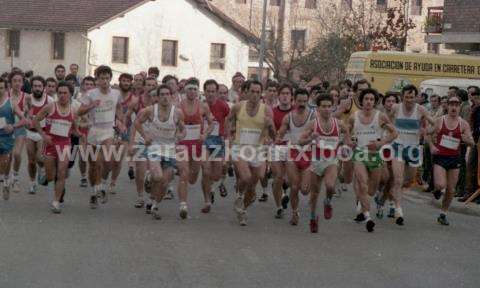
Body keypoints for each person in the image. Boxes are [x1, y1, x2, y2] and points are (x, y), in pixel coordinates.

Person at [345, 88, 397, 232]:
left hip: (375, 155)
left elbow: (394, 133)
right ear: (361, 101)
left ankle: (364, 205)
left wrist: (381, 143)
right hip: (360, 154)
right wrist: (349, 140)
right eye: (366, 99)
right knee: (362, 184)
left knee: (371, 191)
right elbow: (346, 133)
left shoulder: (381, 117)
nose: (368, 102)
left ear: (375, 102)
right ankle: (368, 217)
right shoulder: (353, 117)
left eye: (371, 99)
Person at [227, 80, 276, 226]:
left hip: (257, 150)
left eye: (258, 92)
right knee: (246, 177)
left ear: (261, 93)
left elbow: (273, 135)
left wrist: (270, 127)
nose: (255, 95)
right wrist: (228, 137)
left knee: (256, 182)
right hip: (240, 148)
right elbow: (228, 120)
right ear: (246, 92)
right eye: (252, 91)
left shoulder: (266, 110)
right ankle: (239, 195)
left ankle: (242, 210)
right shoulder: (237, 107)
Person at [77, 65, 126, 209]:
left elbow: (119, 107)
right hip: (93, 130)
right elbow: (79, 111)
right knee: (94, 166)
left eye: (107, 78)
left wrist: (121, 121)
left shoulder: (116, 93)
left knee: (109, 160)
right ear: (97, 80)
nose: (104, 81)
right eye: (101, 78)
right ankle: (94, 192)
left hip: (108, 130)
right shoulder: (91, 94)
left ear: (110, 78)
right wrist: (91, 105)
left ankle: (103, 184)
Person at [134, 85, 186, 220]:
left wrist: (181, 136)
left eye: (167, 94)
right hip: (154, 147)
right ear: (157, 97)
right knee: (157, 176)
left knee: (164, 182)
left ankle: (155, 205)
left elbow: (183, 129)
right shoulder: (150, 110)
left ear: (171, 96)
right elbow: (137, 123)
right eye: (162, 94)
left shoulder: (178, 113)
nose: (165, 97)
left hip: (169, 149)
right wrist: (145, 136)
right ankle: (149, 177)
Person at [389, 85, 434, 225]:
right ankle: (397, 209)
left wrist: (425, 132)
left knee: (407, 181)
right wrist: (388, 135)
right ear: (402, 96)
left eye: (412, 97)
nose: (409, 100)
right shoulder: (396, 108)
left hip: (413, 149)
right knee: (398, 179)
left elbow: (435, 125)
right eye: (407, 97)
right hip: (398, 147)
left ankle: (391, 195)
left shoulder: (421, 109)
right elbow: (388, 123)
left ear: (416, 97)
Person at [427, 95, 474, 225]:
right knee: (441, 185)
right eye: (451, 104)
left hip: (454, 158)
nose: (454, 107)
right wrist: (431, 146)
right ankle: (437, 189)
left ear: (459, 107)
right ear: (447, 106)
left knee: (451, 189)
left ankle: (443, 214)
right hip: (440, 156)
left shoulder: (463, 124)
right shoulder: (439, 121)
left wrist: (466, 139)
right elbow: (427, 133)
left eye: (456, 105)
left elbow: (472, 143)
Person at [34, 81, 78, 213]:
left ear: (70, 94)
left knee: (62, 173)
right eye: (60, 93)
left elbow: (75, 129)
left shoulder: (73, 110)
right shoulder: (50, 107)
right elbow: (36, 120)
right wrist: (43, 135)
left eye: (65, 93)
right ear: (57, 94)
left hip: (64, 145)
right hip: (50, 144)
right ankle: (44, 174)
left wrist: (81, 133)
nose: (62, 95)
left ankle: (56, 202)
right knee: (50, 175)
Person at [277, 88, 315, 225]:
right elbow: (280, 132)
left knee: (304, 190)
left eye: (305, 101)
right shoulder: (288, 117)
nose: (302, 103)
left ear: (308, 100)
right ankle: (295, 212)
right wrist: (277, 137)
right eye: (299, 101)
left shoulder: (313, 116)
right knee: (294, 187)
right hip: (292, 153)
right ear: (294, 100)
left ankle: (296, 191)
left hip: (308, 154)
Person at [176, 78, 213, 218]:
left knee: (193, 177)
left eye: (194, 89)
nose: (192, 92)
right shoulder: (178, 106)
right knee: (184, 173)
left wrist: (205, 134)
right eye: (189, 89)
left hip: (197, 144)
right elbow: (173, 125)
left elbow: (211, 124)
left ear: (198, 91)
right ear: (185, 90)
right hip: (182, 145)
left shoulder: (203, 106)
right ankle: (183, 205)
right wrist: (177, 135)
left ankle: (191, 195)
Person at [203, 79, 230, 209]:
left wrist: (227, 136)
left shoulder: (223, 106)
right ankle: (207, 201)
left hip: (218, 139)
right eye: (208, 91)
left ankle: (213, 187)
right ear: (204, 92)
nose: (211, 94)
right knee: (206, 170)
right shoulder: (200, 105)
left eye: (213, 91)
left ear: (217, 92)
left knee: (216, 174)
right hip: (203, 140)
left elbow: (229, 121)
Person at [25, 76, 54, 194]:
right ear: (32, 87)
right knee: (31, 161)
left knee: (39, 158)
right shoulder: (28, 99)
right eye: (35, 86)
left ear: (44, 87)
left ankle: (42, 168)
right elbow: (23, 115)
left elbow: (53, 117)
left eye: (40, 86)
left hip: (43, 133)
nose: (37, 88)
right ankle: (32, 183)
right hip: (30, 132)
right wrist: (27, 114)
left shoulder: (50, 100)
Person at [107, 73, 134, 194]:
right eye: (124, 80)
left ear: (131, 83)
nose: (126, 83)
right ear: (119, 81)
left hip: (125, 131)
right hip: (110, 129)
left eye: (128, 81)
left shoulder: (134, 99)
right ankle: (103, 178)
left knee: (118, 159)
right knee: (109, 158)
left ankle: (112, 182)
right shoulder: (112, 94)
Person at [0, 78, 27, 200]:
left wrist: (13, 126)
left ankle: (6, 181)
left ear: (5, 89)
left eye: (1, 88)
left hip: (6, 138)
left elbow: (23, 119)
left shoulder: (10, 102)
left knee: (5, 162)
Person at [270, 84, 293, 218]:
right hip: (276, 147)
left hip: (293, 148)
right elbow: (268, 129)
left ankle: (285, 187)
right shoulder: (273, 111)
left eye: (287, 93)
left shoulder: (296, 111)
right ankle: (279, 207)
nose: (285, 96)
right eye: (283, 93)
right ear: (278, 96)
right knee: (278, 176)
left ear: (291, 96)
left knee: (290, 179)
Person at [7, 70, 29, 193]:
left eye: (19, 81)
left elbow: (25, 119)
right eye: (14, 81)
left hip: (19, 128)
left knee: (17, 154)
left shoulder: (27, 97)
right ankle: (6, 178)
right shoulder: (5, 95)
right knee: (7, 157)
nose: (17, 83)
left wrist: (14, 125)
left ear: (23, 82)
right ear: (10, 82)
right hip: (6, 130)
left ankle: (15, 177)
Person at [75, 76, 96, 187]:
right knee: (83, 155)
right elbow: (76, 118)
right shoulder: (78, 99)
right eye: (86, 84)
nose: (88, 86)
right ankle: (83, 176)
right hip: (82, 130)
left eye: (91, 84)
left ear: (94, 86)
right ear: (83, 85)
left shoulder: (98, 99)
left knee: (92, 157)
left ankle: (92, 175)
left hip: (95, 131)